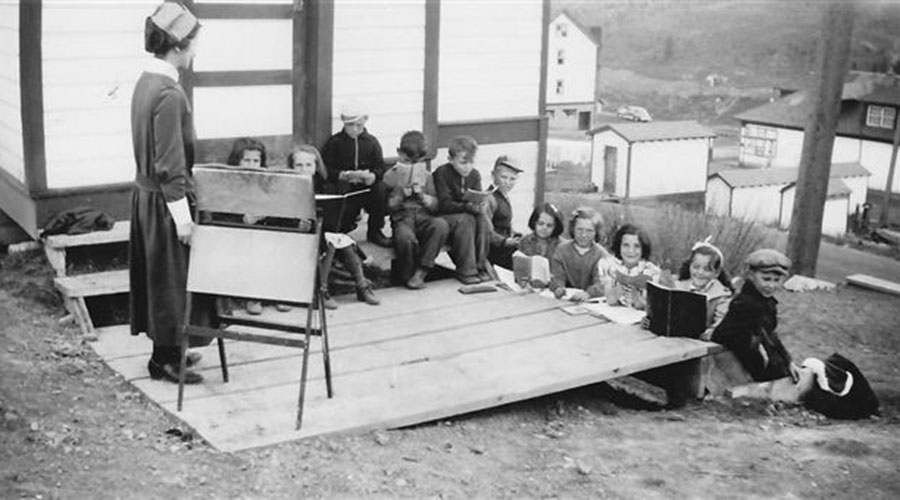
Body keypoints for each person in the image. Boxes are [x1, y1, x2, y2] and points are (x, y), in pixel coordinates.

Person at [129, 2, 206, 384]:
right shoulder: (170, 94)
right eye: (192, 45)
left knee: (160, 277)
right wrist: (183, 218)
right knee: (171, 279)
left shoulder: (146, 82)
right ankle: (164, 361)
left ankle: (170, 351)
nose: (194, 53)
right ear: (178, 46)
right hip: (164, 200)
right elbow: (170, 163)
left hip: (147, 197)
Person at [288, 144, 380, 308]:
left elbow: (334, 216)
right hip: (296, 234)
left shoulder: (325, 186)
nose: (304, 169)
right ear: (291, 167)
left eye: (308, 165)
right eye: (299, 165)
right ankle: (321, 290)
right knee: (329, 241)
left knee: (339, 239)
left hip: (323, 230)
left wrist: (346, 214)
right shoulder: (287, 187)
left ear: (316, 167)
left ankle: (362, 286)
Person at [711, 249, 800, 382]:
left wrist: (788, 361)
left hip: (749, 355)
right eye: (766, 279)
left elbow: (770, 334)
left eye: (776, 280)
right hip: (728, 356)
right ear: (751, 275)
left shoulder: (765, 302)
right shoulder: (746, 304)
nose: (771, 285)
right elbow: (727, 336)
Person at [382, 131, 449, 289]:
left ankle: (422, 271)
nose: (411, 165)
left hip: (423, 217)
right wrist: (400, 194)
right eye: (406, 161)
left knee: (440, 225)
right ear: (399, 153)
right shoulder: (390, 176)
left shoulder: (427, 176)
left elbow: (436, 206)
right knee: (405, 238)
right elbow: (387, 207)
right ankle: (406, 275)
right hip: (402, 218)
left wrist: (424, 197)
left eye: (417, 162)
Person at [320, 101, 392, 248]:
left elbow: (380, 167)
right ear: (343, 123)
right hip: (346, 186)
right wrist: (343, 175)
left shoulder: (371, 142)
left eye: (358, 125)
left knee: (381, 189)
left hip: (366, 186)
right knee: (338, 192)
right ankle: (342, 228)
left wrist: (373, 176)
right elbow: (326, 168)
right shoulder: (335, 142)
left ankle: (375, 230)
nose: (354, 129)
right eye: (349, 125)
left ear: (365, 121)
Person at [432, 135, 493, 284]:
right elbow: (444, 204)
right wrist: (467, 207)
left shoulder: (474, 174)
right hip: (445, 216)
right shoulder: (442, 173)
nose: (467, 167)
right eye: (463, 162)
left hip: (467, 213)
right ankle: (466, 270)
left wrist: (480, 206)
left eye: (471, 162)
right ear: (450, 159)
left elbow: (478, 197)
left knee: (483, 220)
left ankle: (480, 265)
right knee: (466, 220)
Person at [225, 138, 269, 315]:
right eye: (247, 160)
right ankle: (252, 295)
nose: (252, 165)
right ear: (237, 161)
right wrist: (242, 220)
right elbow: (221, 212)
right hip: (234, 233)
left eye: (256, 161)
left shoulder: (266, 181)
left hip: (261, 230)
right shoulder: (228, 182)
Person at [673, 238, 734, 340]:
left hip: (701, 345)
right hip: (674, 339)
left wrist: (712, 331)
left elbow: (722, 321)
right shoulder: (677, 287)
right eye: (696, 267)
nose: (700, 272)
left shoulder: (721, 296)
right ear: (690, 267)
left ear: (716, 273)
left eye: (707, 269)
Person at [549, 207, 610, 302]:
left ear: (596, 232)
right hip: (565, 300)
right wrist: (558, 288)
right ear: (573, 229)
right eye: (579, 229)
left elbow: (601, 283)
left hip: (591, 301)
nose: (584, 235)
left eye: (589, 231)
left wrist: (588, 294)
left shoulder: (601, 255)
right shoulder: (561, 250)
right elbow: (557, 276)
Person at [598, 224, 661, 310]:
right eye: (626, 245)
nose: (631, 251)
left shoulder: (652, 272)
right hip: (618, 316)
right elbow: (611, 300)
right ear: (619, 246)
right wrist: (618, 289)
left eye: (636, 246)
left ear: (643, 248)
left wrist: (636, 297)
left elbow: (652, 307)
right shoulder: (610, 267)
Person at [486, 156, 524, 270]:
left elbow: (504, 223)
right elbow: (486, 231)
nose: (508, 182)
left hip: (505, 246)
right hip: (493, 251)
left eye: (512, 179)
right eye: (504, 177)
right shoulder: (488, 198)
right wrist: (505, 241)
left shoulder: (504, 196)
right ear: (493, 175)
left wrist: (515, 234)